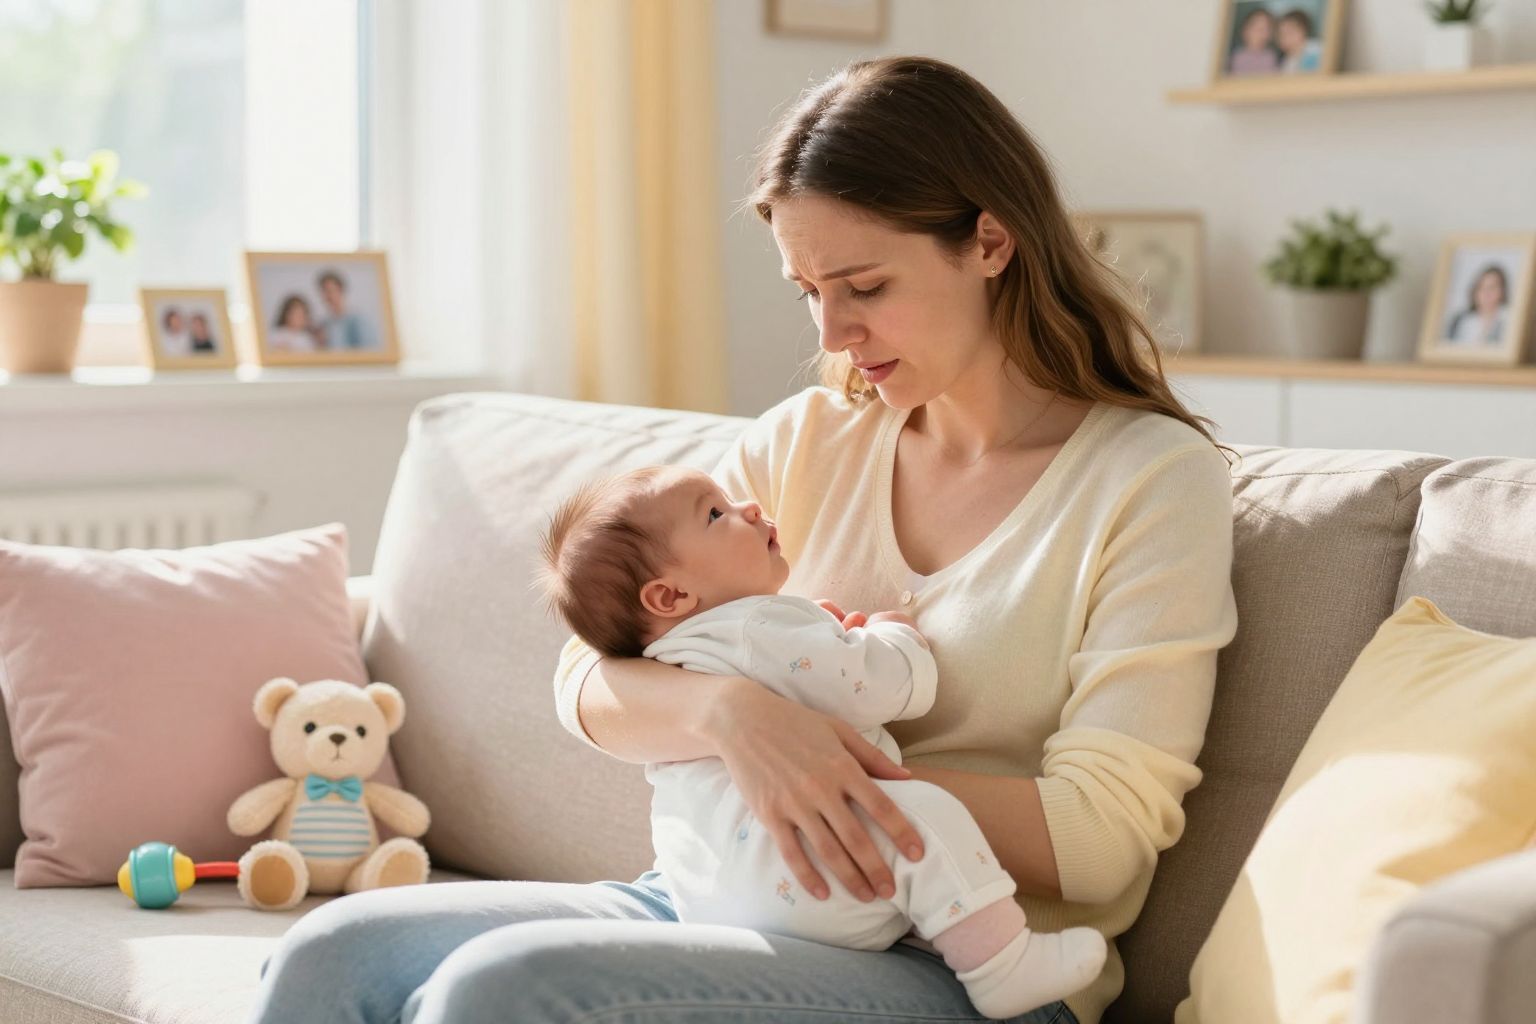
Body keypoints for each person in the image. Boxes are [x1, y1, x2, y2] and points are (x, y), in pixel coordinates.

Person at [247, 55, 1238, 1024]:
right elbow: (588, 680)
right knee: (333, 954)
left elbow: (1103, 838)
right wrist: (735, 717)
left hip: (966, 960)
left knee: (510, 987)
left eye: (864, 285)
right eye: (809, 290)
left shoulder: (1149, 479)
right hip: (721, 896)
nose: (834, 332)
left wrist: (826, 771)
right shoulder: (812, 439)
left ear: (989, 240)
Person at [533, 464, 1108, 1019]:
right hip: (807, 881)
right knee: (923, 818)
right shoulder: (755, 627)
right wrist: (891, 637)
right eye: (716, 513)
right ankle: (1002, 962)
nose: (749, 506)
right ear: (669, 598)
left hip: (715, 900)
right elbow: (884, 687)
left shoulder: (667, 659)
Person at [1445, 265, 1509, 346]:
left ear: (1502, 292)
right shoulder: (1461, 321)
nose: (1486, 293)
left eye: (1492, 288)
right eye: (1481, 287)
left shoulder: (1508, 320)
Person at [316, 269, 378, 350]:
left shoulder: (359, 319)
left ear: (341, 290)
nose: (327, 296)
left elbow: (369, 351)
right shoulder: (325, 324)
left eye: (330, 290)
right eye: (324, 291)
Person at [1228, 8, 1280, 75]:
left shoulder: (1271, 57)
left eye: (1265, 28)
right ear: (1245, 31)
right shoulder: (1236, 57)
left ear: (1270, 34)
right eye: (1255, 27)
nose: (1259, 32)